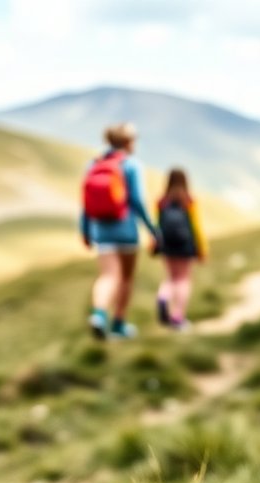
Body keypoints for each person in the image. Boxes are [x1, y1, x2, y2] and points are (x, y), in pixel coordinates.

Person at [79, 123, 160, 340]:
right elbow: (138, 201)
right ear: (128, 142)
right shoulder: (131, 165)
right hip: (125, 230)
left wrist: (85, 231)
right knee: (125, 278)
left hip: (100, 231)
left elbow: (85, 202)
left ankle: (98, 315)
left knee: (107, 276)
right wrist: (153, 230)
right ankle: (119, 324)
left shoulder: (93, 165)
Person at [154, 168, 208, 331]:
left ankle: (163, 297)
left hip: (167, 245)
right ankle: (178, 316)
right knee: (183, 279)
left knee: (171, 277)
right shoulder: (189, 201)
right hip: (185, 245)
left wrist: (155, 242)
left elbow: (158, 224)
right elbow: (196, 226)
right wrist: (202, 248)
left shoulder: (162, 201)